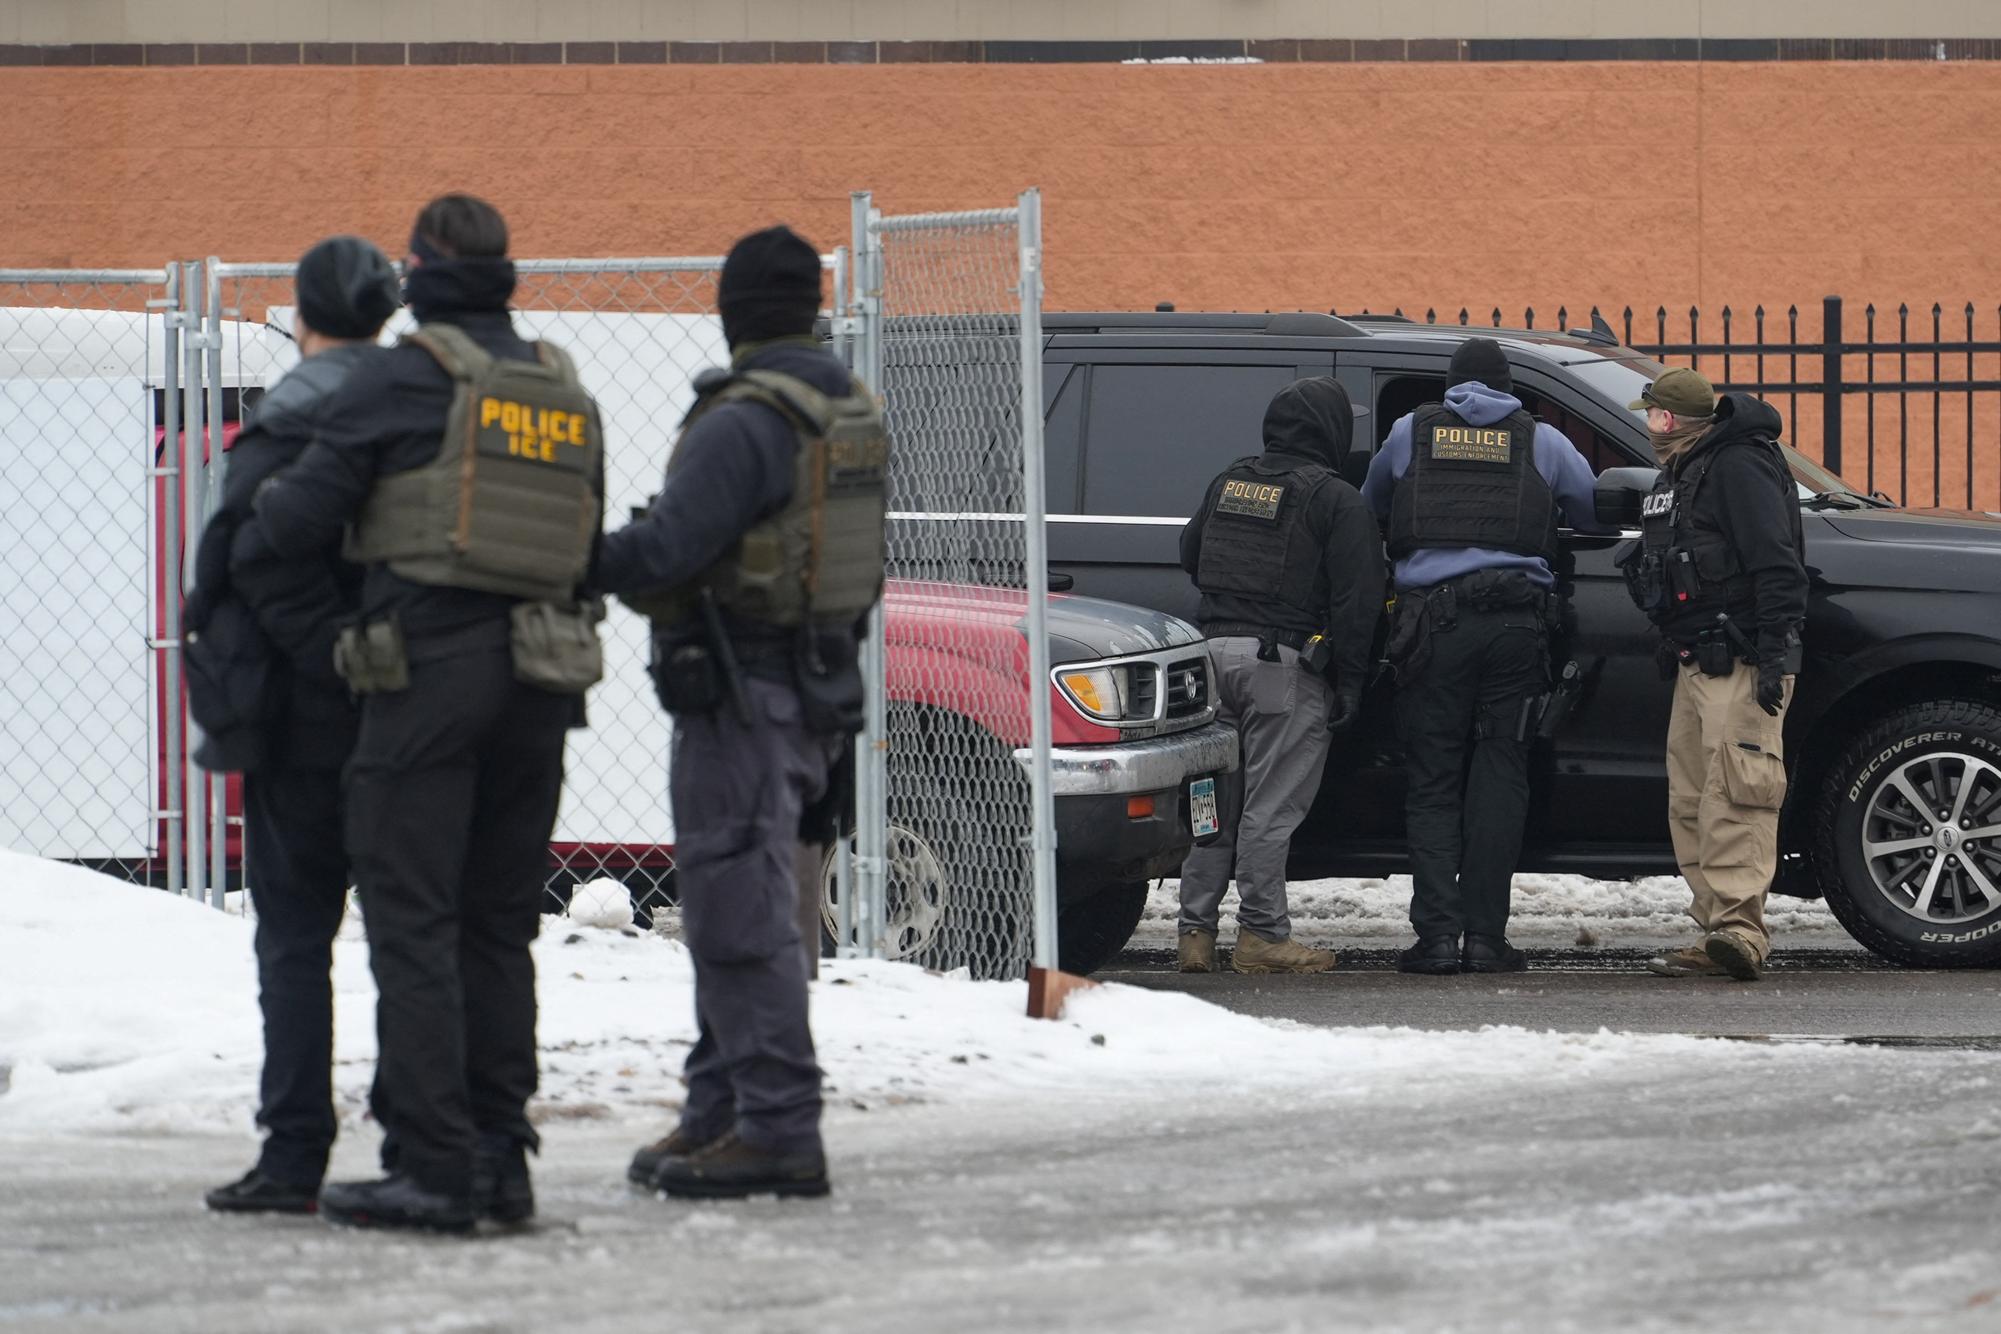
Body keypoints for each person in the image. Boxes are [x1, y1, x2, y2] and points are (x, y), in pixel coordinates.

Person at [254, 195, 604, 1233]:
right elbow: (582, 549)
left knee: (413, 924)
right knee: (498, 929)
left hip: (425, 683)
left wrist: (331, 616)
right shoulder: (562, 389)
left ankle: (436, 1167)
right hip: (541, 684)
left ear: (418, 275)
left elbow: (290, 522)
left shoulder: (401, 379)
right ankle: (501, 1162)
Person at [599, 225, 884, 1201]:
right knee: (749, 904)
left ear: (733, 311)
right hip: (815, 688)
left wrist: (573, 557)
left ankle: (777, 1128)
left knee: (737, 913)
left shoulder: (746, 417)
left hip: (743, 695)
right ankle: (720, 1108)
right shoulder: (843, 408)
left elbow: (669, 551)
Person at [189, 236, 398, 1215]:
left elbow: (236, 560)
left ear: (304, 318)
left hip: (300, 721)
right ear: (385, 318)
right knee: (411, 939)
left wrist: (323, 654)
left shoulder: (285, 421)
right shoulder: (418, 416)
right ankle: (417, 1143)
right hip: (411, 711)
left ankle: (293, 1154)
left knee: (294, 940)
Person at [1362, 338, 1601, 976]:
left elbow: (1371, 506)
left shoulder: (1410, 432)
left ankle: (1438, 940)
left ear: (1450, 387)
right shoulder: (1542, 440)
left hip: (1431, 628)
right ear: (1509, 388)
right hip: (1516, 628)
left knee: (1434, 779)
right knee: (1501, 774)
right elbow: (1589, 509)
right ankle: (1487, 940)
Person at [1174, 377, 1382, 975]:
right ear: (1328, 431)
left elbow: (1191, 554)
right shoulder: (1335, 498)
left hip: (1210, 659)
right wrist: (1352, 681)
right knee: (1270, 807)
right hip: (1280, 666)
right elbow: (1358, 601)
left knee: (1212, 802)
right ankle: (1262, 935)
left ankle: (1194, 933)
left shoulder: (1229, 482)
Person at [1623, 368, 1806, 983]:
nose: (1650, 426)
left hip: (1744, 660)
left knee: (1738, 793)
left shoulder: (1736, 466)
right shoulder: (1681, 472)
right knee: (1692, 801)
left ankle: (1741, 930)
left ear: (1673, 419)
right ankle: (1714, 929)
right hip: (1695, 659)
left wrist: (1773, 654)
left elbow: (1777, 564)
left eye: (1654, 415)